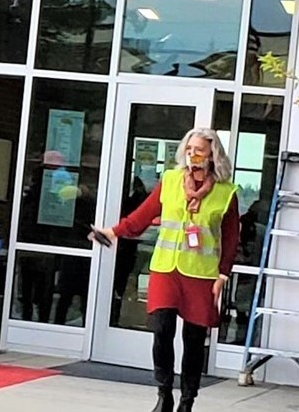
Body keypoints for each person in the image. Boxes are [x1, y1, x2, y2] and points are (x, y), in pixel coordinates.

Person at [91, 127, 239, 412]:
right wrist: (112, 231)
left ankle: (187, 400)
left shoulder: (226, 193)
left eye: (199, 150)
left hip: (201, 274)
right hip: (165, 269)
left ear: (212, 157)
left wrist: (223, 273)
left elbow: (231, 237)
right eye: (189, 149)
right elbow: (143, 215)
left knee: (194, 340)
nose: (192, 154)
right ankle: (164, 393)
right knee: (162, 329)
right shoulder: (170, 180)